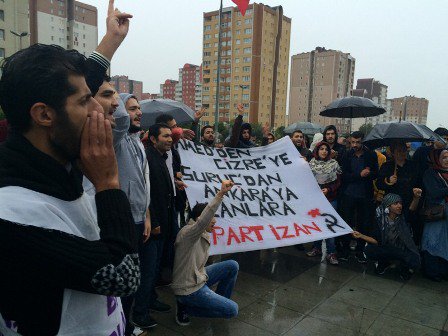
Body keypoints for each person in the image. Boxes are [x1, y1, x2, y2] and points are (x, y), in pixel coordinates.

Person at [0, 5, 140, 333]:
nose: (100, 110)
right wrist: (107, 183)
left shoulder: (55, 156)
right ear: (44, 116)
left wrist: (110, 41)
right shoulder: (12, 214)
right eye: (85, 102)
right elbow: (125, 274)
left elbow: (68, 92)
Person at [172, 180, 239, 326]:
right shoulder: (188, 233)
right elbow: (205, 219)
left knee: (232, 265)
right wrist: (221, 194)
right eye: (211, 221)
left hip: (198, 277)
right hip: (188, 288)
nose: (214, 223)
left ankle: (215, 302)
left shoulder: (203, 233)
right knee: (232, 310)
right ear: (198, 220)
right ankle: (187, 308)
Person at [132, 123, 175, 329]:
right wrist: (154, 221)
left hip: (163, 225)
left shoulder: (161, 157)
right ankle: (140, 313)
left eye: (170, 136)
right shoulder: (148, 157)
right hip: (153, 226)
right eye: (165, 136)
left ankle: (150, 300)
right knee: (147, 271)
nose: (170, 139)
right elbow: (145, 193)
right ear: (153, 139)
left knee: (155, 267)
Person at [116, 93, 152, 336]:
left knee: (134, 278)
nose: (139, 112)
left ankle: (127, 325)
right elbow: (119, 120)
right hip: (124, 220)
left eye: (139, 108)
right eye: (132, 108)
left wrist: (147, 214)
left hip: (140, 219)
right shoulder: (116, 140)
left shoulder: (137, 141)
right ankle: (122, 328)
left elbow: (142, 183)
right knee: (124, 280)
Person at [354, 192, 422, 280]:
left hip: (401, 248)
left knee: (413, 259)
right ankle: (383, 263)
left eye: (400, 203)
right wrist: (361, 236)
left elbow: (412, 209)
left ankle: (404, 268)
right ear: (388, 206)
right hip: (385, 247)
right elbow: (376, 240)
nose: (399, 206)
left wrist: (416, 198)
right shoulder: (379, 220)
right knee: (369, 250)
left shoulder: (402, 218)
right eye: (395, 203)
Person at [338, 131, 379, 262]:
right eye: (352, 142)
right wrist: (359, 175)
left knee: (363, 223)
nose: (355, 145)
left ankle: (360, 250)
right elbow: (343, 176)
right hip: (348, 194)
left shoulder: (371, 155)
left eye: (358, 142)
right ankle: (345, 249)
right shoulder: (347, 155)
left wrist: (369, 173)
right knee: (347, 221)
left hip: (365, 195)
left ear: (363, 141)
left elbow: (376, 174)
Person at [306, 142, 342, 265]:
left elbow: (338, 182)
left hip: (330, 199)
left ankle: (331, 253)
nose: (324, 151)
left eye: (326, 149)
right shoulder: (311, 164)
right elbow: (306, 179)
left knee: (330, 225)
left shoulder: (334, 164)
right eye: (321, 149)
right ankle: (316, 248)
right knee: (316, 224)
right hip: (315, 199)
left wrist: (329, 189)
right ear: (317, 150)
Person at [421, 149, 448, 281]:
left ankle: (444, 271)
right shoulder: (431, 173)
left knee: (445, 243)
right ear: (438, 159)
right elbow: (434, 192)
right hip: (436, 215)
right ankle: (432, 272)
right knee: (432, 241)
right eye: (444, 157)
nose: (447, 160)